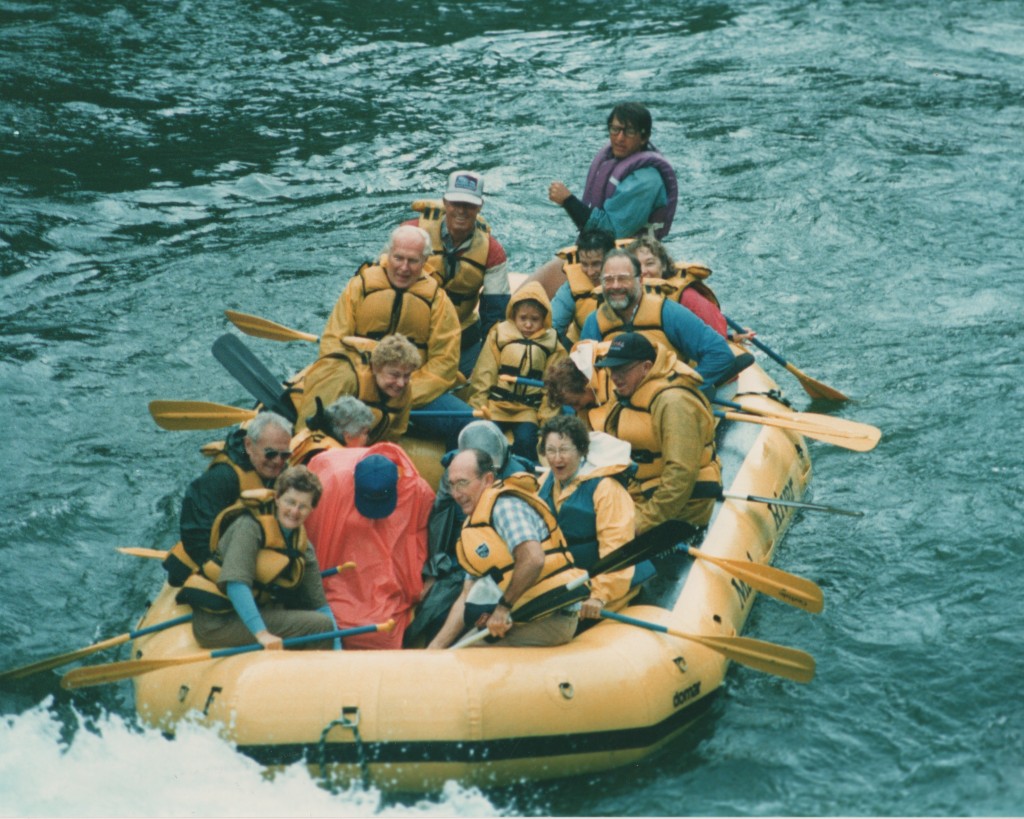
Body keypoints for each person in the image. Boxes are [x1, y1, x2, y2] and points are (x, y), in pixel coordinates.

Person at [318, 224, 471, 449]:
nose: (404, 268)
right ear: (388, 254)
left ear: (425, 261)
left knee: (470, 424)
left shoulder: (437, 300)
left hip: (410, 392)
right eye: (398, 258)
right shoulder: (359, 287)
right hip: (359, 389)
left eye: (413, 261)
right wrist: (362, 384)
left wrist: (404, 392)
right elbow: (333, 342)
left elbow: (445, 363)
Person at [427, 449, 586, 649]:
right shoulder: (474, 524)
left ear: (487, 480)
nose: (456, 494)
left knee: (467, 659)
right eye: (452, 485)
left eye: (463, 483)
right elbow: (466, 595)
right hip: (521, 614)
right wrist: (434, 649)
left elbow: (533, 558)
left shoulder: (505, 507)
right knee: (454, 650)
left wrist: (502, 609)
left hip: (551, 616)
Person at [405, 420, 537, 647]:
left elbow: (528, 556)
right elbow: (440, 519)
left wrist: (502, 605)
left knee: (460, 620)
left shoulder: (512, 492)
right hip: (462, 556)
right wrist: (433, 572)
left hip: (496, 565)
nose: (458, 492)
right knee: (429, 614)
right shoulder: (456, 472)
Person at [177, 466, 337, 651]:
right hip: (218, 622)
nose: (294, 511)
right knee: (320, 625)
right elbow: (236, 584)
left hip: (257, 612)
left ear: (311, 509)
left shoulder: (301, 543)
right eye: (290, 502)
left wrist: (338, 646)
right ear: (277, 498)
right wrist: (262, 633)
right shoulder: (249, 527)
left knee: (320, 619)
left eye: (303, 506)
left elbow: (320, 605)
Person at [304, 443, 434, 650]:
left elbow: (419, 541)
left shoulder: (417, 491)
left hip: (380, 573)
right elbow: (314, 534)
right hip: (344, 575)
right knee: (337, 619)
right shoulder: (332, 484)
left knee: (382, 631)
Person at [591, 333, 721, 533]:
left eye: (623, 369)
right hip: (641, 493)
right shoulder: (627, 394)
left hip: (682, 508)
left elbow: (681, 474)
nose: (615, 377)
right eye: (612, 369)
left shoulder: (674, 403)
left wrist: (644, 520)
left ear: (646, 367)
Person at [579, 249, 737, 397]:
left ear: (640, 280)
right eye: (608, 280)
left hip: (668, 402)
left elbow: (720, 354)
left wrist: (681, 388)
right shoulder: (594, 323)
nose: (615, 286)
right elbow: (583, 376)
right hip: (619, 407)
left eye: (623, 278)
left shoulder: (668, 313)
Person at [163, 412, 295, 587]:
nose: (278, 461)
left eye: (284, 455)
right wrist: (226, 574)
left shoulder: (280, 472)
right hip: (209, 560)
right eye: (270, 454)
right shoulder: (222, 477)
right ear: (249, 445)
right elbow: (195, 532)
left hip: (245, 549)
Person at [538, 415, 648, 621]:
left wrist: (599, 596)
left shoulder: (606, 489)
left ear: (581, 451)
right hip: (566, 582)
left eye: (564, 450)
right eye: (551, 450)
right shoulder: (545, 481)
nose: (556, 458)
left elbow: (616, 546)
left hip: (606, 588)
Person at [406, 170, 510, 376]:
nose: (462, 211)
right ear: (445, 202)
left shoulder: (493, 251)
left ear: (480, 206)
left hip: (461, 337)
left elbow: (495, 312)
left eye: (469, 205)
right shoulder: (411, 232)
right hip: (412, 332)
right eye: (456, 203)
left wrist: (490, 358)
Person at [549, 102, 678, 242]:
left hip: (635, 255)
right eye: (615, 129)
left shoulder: (646, 181)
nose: (619, 138)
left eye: (629, 132)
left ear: (644, 138)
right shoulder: (613, 163)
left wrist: (568, 201)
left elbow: (609, 234)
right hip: (602, 250)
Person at [466, 281, 565, 463]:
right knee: (485, 437)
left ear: (544, 319)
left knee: (527, 441)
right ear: (514, 316)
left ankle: (522, 475)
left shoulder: (552, 345)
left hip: (526, 409)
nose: (528, 324)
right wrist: (479, 406)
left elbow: (552, 386)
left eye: (534, 319)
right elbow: (484, 373)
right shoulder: (499, 335)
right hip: (497, 405)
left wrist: (546, 420)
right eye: (523, 318)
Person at [294, 333, 420, 442]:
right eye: (394, 374)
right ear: (376, 367)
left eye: (406, 375)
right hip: (298, 415)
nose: (401, 383)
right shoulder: (346, 377)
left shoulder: (404, 390)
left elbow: (394, 434)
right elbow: (306, 429)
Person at [549, 229, 617, 344]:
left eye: (596, 264)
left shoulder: (627, 283)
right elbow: (553, 326)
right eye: (584, 264)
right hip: (580, 346)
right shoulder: (571, 288)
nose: (590, 272)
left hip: (619, 347)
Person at [289, 395, 374, 466]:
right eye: (365, 433)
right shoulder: (332, 460)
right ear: (347, 436)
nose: (368, 438)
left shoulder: (317, 439)